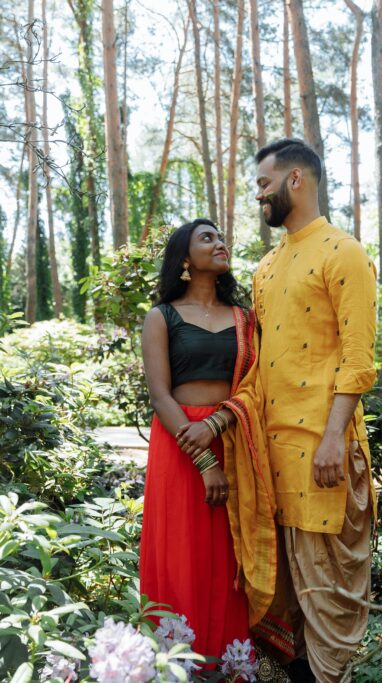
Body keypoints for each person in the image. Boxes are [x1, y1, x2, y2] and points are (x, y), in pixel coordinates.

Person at [179, 139, 378, 682]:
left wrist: (335, 437)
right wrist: (221, 420)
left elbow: (358, 360)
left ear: (296, 181)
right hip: (269, 462)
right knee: (287, 611)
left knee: (328, 603)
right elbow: (261, 369)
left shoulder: (344, 253)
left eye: (264, 184)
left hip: (324, 456)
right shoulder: (267, 268)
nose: (258, 195)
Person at [138, 218, 255, 662]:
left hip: (232, 437)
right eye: (207, 237)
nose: (220, 242)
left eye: (222, 236)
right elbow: (159, 395)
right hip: (180, 444)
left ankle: (231, 663)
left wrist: (220, 427)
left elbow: (255, 386)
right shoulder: (162, 316)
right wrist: (206, 463)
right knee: (181, 553)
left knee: (228, 557)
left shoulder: (245, 319)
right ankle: (176, 662)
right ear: (185, 259)